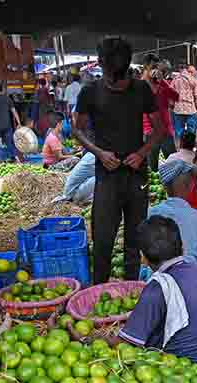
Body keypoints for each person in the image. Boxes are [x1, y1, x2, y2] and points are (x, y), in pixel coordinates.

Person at [73, 36, 164, 284]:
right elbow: (78, 129)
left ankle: (132, 288)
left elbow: (160, 129)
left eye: (123, 78)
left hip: (137, 174)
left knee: (136, 239)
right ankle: (99, 288)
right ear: (101, 65)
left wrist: (142, 153)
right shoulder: (90, 92)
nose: (119, 85)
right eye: (114, 79)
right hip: (107, 174)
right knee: (102, 239)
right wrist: (99, 152)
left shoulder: (142, 89)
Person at [115, 216, 197, 367]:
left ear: (143, 258)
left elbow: (126, 344)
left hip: (179, 369)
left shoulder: (159, 286)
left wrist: (86, 340)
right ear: (183, 248)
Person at [147, 160, 197, 266]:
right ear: (190, 186)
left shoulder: (151, 214)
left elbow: (147, 255)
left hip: (160, 277)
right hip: (191, 277)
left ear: (165, 187)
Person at [145, 66, 179, 170]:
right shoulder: (144, 90)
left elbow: (176, 96)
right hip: (151, 133)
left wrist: (163, 82)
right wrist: (147, 129)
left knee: (172, 163)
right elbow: (142, 112)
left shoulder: (163, 89)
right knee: (152, 165)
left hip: (165, 131)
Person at [0, 81, 21, 162]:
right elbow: (14, 110)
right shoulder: (7, 98)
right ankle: (12, 157)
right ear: (2, 89)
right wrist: (19, 122)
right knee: (9, 142)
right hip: (7, 125)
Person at [171, 64, 197, 147]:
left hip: (178, 109)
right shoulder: (194, 80)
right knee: (191, 132)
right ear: (188, 71)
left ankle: (180, 148)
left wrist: (173, 105)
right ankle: (190, 149)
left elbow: (171, 96)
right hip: (191, 109)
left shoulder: (175, 79)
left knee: (179, 132)